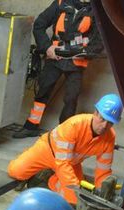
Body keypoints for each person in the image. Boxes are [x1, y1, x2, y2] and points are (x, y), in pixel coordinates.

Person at [8, 93, 121, 205]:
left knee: (74, 200)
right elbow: (62, 163)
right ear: (95, 113)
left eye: (110, 122)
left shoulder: (110, 137)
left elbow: (103, 170)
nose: (104, 126)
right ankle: (36, 166)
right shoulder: (74, 125)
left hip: (71, 162)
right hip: (48, 151)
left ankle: (50, 179)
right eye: (102, 119)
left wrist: (102, 195)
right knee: (16, 172)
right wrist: (75, 187)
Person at [14, 0, 99, 138]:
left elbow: (99, 41)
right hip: (55, 57)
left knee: (71, 98)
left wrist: (84, 51)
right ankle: (31, 126)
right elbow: (39, 24)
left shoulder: (96, 11)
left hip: (76, 62)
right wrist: (47, 47)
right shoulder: (61, 3)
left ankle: (64, 134)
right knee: (43, 89)